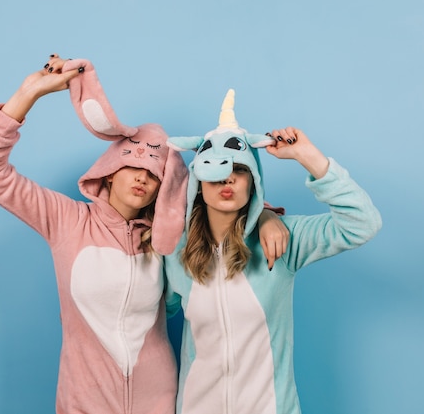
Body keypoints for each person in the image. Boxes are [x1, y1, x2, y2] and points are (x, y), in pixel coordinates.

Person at [0, 56, 288, 414]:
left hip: (159, 402)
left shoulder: (168, 234)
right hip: (84, 402)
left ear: (162, 188)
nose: (141, 177)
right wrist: (30, 93)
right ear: (110, 171)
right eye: (132, 165)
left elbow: (226, 203)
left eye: (153, 174)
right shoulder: (66, 220)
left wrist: (268, 217)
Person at [164, 89, 383, 414]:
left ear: (253, 182)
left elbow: (363, 223)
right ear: (198, 181)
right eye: (216, 172)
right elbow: (147, 314)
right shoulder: (175, 251)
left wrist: (307, 156)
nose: (228, 180)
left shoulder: (284, 240)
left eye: (239, 171)